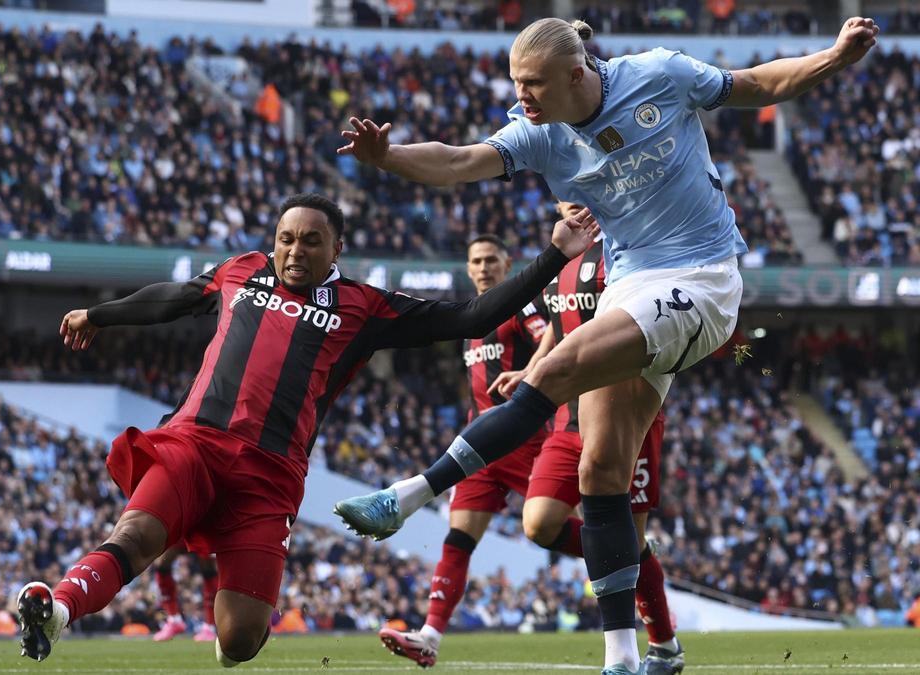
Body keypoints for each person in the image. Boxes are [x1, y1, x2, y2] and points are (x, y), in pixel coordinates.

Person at [332, 17, 878, 675]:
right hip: (630, 286)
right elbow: (457, 160)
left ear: (576, 73)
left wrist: (837, 56)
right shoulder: (540, 134)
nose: (522, 97)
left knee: (557, 364)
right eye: (516, 84)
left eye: (532, 84)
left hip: (700, 276)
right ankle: (629, 656)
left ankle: (412, 492)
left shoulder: (659, 74)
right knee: (599, 473)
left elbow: (758, 83)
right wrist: (386, 157)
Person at [15, 192, 599, 667]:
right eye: (286, 239)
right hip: (192, 443)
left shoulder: (364, 306)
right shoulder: (239, 271)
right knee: (138, 535)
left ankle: (229, 633)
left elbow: (470, 316)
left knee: (241, 640)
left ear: (336, 248)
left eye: (311, 240)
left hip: (269, 477)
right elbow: (172, 298)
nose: (295, 250)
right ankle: (58, 609)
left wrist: (553, 256)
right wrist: (99, 314)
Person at [379, 205, 681, 674]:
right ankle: (430, 634)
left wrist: (532, 371)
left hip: (542, 432)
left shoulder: (532, 301)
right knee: (472, 536)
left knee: (619, 535)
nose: (482, 268)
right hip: (498, 438)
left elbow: (556, 336)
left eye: (490, 261)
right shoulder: (479, 320)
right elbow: (557, 333)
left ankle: (657, 636)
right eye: (475, 262)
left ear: (506, 264)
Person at [150, 544, 219, 642]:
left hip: (201, 529)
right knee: (162, 562)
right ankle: (174, 620)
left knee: (207, 567)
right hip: (180, 529)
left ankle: (209, 627)